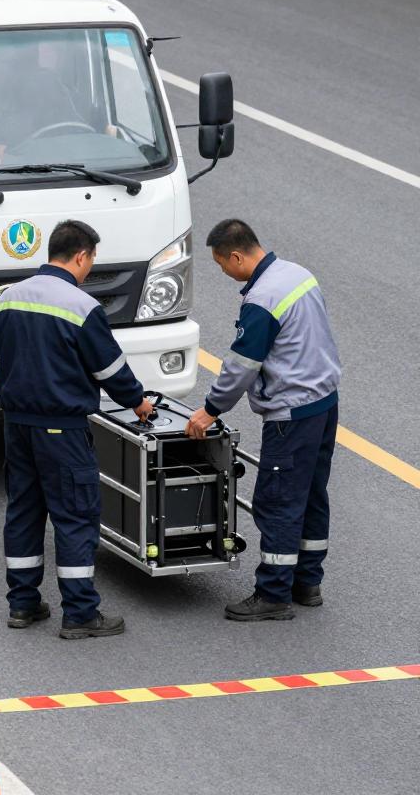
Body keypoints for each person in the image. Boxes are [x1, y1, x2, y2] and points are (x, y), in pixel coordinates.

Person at [0, 220, 154, 639]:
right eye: (90, 262)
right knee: (75, 516)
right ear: (81, 256)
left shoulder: (9, 299)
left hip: (17, 425)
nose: (89, 271)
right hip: (61, 429)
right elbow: (110, 370)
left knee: (24, 512)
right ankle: (80, 613)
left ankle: (23, 604)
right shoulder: (81, 306)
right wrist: (137, 402)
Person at [185, 219, 341, 622]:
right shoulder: (297, 274)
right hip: (324, 402)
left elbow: (241, 367)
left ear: (236, 255)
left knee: (277, 501)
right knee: (310, 495)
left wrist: (210, 409)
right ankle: (307, 583)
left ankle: (273, 593)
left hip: (290, 413)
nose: (224, 272)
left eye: (222, 264)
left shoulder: (262, 299)